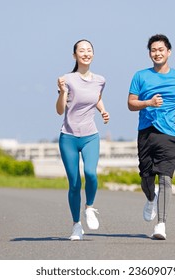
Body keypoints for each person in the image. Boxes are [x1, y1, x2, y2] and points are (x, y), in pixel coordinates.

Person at [127, 34, 175, 240]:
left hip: (168, 134)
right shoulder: (140, 76)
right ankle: (150, 198)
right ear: (150, 53)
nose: (157, 53)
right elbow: (130, 104)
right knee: (146, 179)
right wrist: (148, 103)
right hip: (146, 133)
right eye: (153, 50)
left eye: (161, 50)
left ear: (168, 52)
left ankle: (161, 225)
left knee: (165, 179)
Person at [56, 39, 110, 241]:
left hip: (90, 136)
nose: (85, 53)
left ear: (93, 54)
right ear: (74, 55)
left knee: (90, 173)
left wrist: (103, 110)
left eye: (89, 50)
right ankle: (76, 225)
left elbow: (95, 97)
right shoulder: (66, 79)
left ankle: (89, 207)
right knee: (74, 183)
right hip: (68, 137)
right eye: (81, 50)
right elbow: (60, 109)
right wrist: (62, 92)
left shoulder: (100, 80)